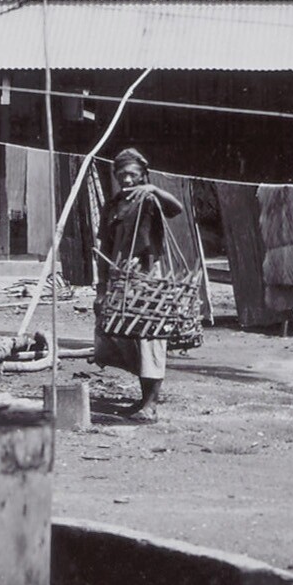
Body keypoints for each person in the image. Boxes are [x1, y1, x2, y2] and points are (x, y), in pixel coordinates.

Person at [93, 147, 184, 419]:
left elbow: (176, 208)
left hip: (147, 276)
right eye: (122, 174)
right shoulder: (113, 205)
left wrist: (153, 189)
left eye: (132, 174)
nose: (127, 179)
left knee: (150, 336)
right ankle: (144, 397)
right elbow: (105, 246)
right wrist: (101, 287)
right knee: (125, 334)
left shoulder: (150, 199)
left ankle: (151, 404)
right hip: (120, 277)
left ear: (143, 174)